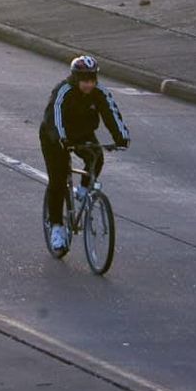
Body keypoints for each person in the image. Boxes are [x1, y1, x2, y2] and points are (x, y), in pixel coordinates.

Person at [38, 55, 130, 253]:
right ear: (75, 78)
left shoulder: (99, 92)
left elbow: (111, 114)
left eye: (92, 79)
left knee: (97, 158)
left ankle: (83, 189)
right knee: (58, 180)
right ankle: (57, 228)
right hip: (54, 137)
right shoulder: (63, 91)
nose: (89, 84)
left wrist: (122, 138)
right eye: (85, 80)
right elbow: (55, 117)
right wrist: (62, 139)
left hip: (82, 134)